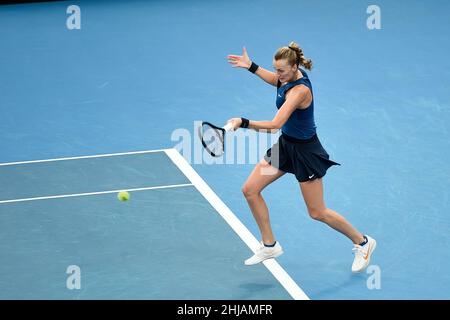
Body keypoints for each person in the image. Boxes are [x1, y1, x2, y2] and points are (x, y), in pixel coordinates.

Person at [226, 42, 376, 273]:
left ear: (295, 67)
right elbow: (275, 81)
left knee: (317, 212)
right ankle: (269, 245)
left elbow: (275, 125)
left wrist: (242, 122)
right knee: (250, 190)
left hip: (306, 153)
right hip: (285, 147)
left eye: (282, 70)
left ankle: (363, 242)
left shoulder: (300, 91)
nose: (278, 75)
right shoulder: (288, 78)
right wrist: (251, 67)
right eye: (276, 69)